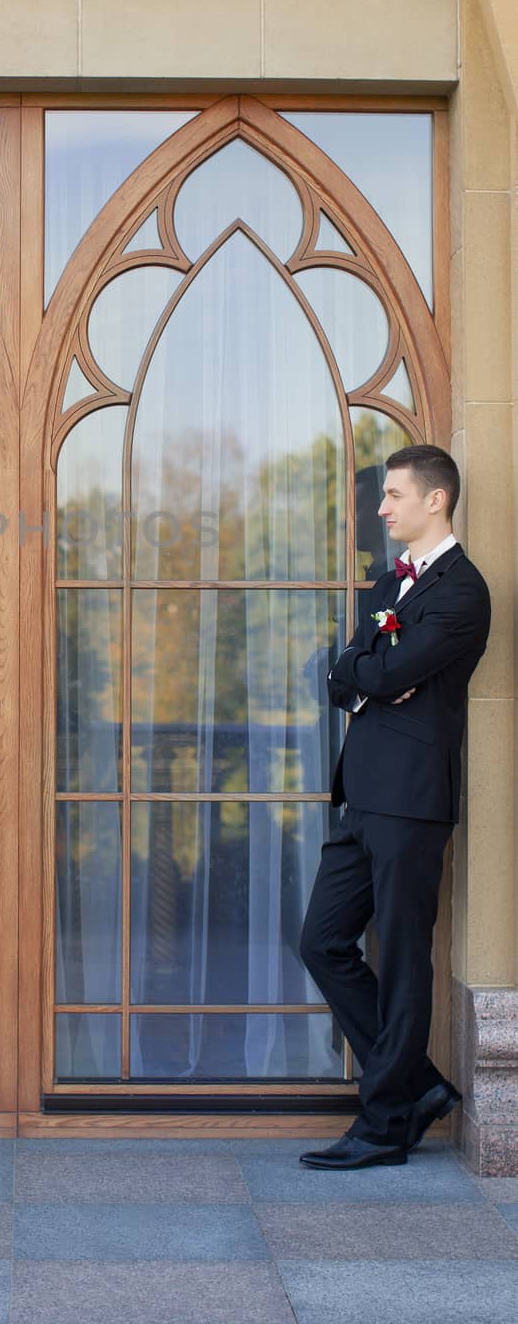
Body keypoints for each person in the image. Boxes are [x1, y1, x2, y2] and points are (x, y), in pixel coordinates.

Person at [299, 446, 490, 1169]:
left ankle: (382, 1126)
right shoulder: (387, 584)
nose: (379, 508)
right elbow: (343, 678)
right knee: (320, 941)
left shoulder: (461, 591)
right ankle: (412, 1085)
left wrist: (368, 672)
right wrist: (365, 673)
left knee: (405, 959)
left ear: (434, 500)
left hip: (412, 801)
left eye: (392, 495)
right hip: (364, 797)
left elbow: (387, 670)